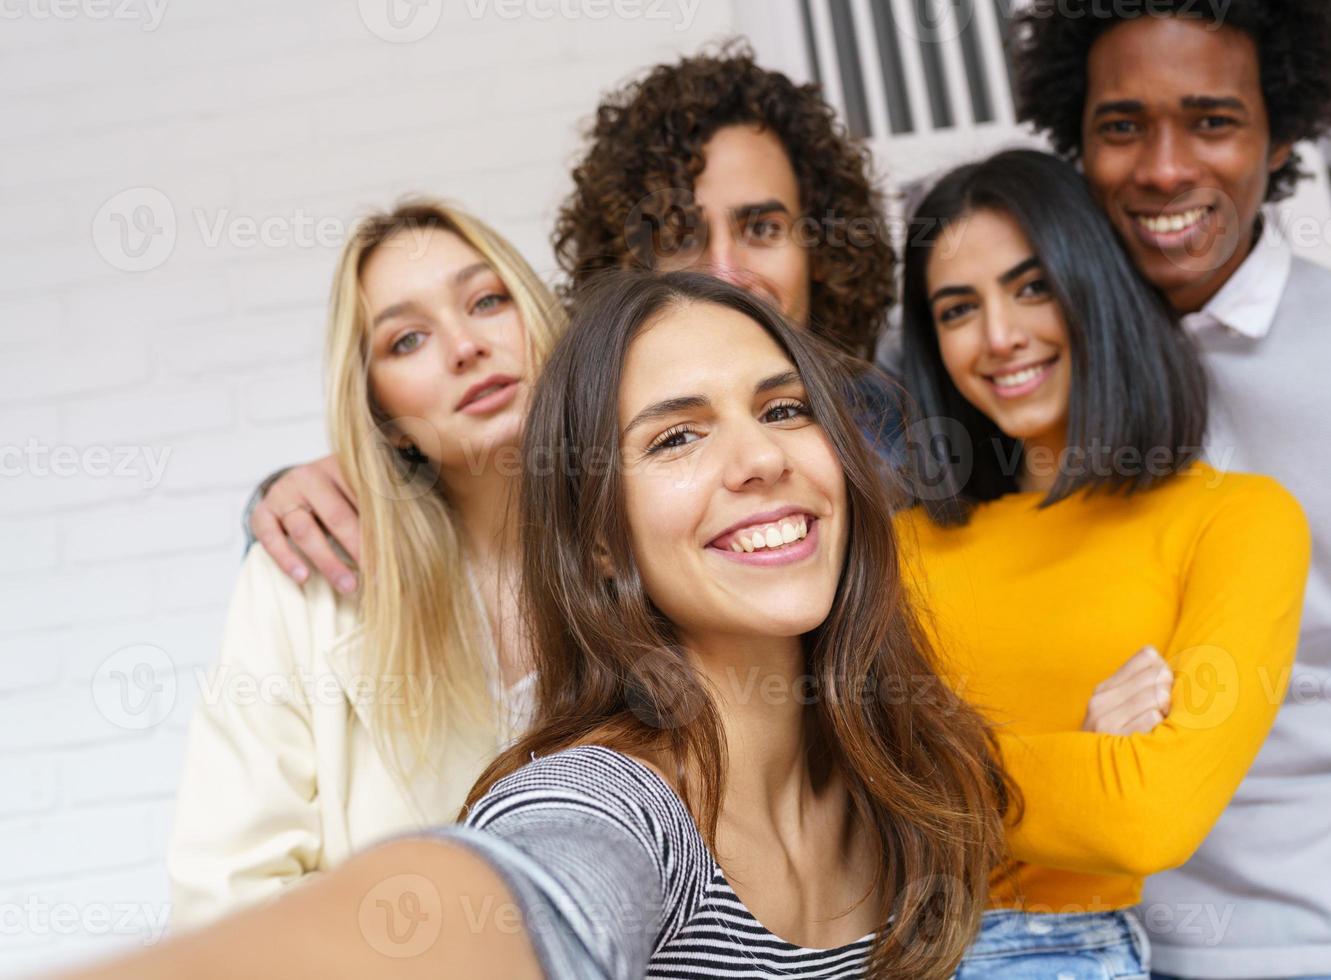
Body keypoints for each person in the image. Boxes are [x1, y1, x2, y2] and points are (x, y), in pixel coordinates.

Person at [64, 270, 1014, 980]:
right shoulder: (612, 807)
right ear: (599, 541)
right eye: (677, 436)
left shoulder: (910, 776)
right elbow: (515, 895)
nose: (761, 455)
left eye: (784, 407)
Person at [1011, 3, 1331, 977]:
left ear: (1282, 131)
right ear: (1076, 140)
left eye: (1212, 121)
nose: (1165, 168)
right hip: (1072, 934)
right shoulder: (1011, 360)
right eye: (1122, 124)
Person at [244, 43, 906, 592]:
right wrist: (291, 496)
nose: (724, 271)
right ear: (629, 260)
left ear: (820, 245)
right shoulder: (590, 423)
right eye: (681, 235)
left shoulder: (900, 420)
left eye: (761, 227)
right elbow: (460, 489)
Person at [896, 149, 1311, 976]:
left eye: (1033, 286)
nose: (1000, 336)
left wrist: (925, 768)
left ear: (1096, 285)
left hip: (1055, 954)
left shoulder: (1236, 520)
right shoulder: (901, 545)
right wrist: (1084, 755)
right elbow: (833, 793)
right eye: (956, 309)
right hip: (885, 951)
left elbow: (1149, 817)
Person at [166, 201, 567, 928]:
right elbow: (227, 898)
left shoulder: (663, 542)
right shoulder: (298, 589)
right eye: (408, 339)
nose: (465, 346)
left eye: (487, 300)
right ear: (381, 412)